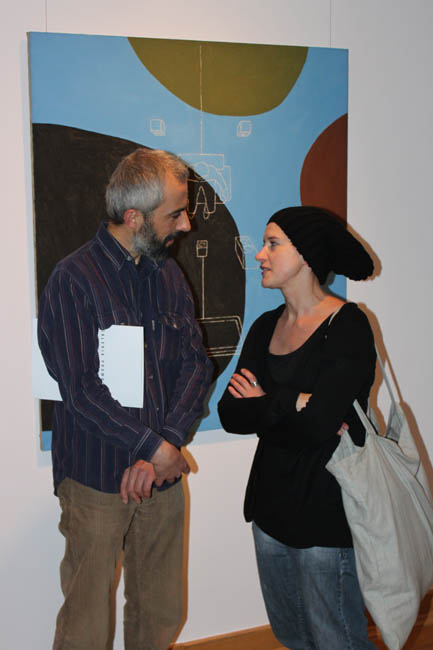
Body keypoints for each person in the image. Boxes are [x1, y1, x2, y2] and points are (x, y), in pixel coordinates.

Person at [38, 148, 213, 650]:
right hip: (95, 477)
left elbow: (196, 364)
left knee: (160, 612)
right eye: (175, 214)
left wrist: (165, 444)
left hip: (161, 473)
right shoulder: (73, 279)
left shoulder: (167, 274)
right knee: (87, 623)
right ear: (134, 217)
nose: (186, 224)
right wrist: (152, 447)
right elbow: (80, 391)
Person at [218, 206, 377, 650]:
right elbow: (230, 414)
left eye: (273, 244)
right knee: (292, 637)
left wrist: (268, 402)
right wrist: (297, 401)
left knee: (337, 640)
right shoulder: (264, 326)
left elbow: (320, 425)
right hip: (269, 512)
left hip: (326, 516)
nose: (260, 255)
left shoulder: (347, 325)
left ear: (306, 254)